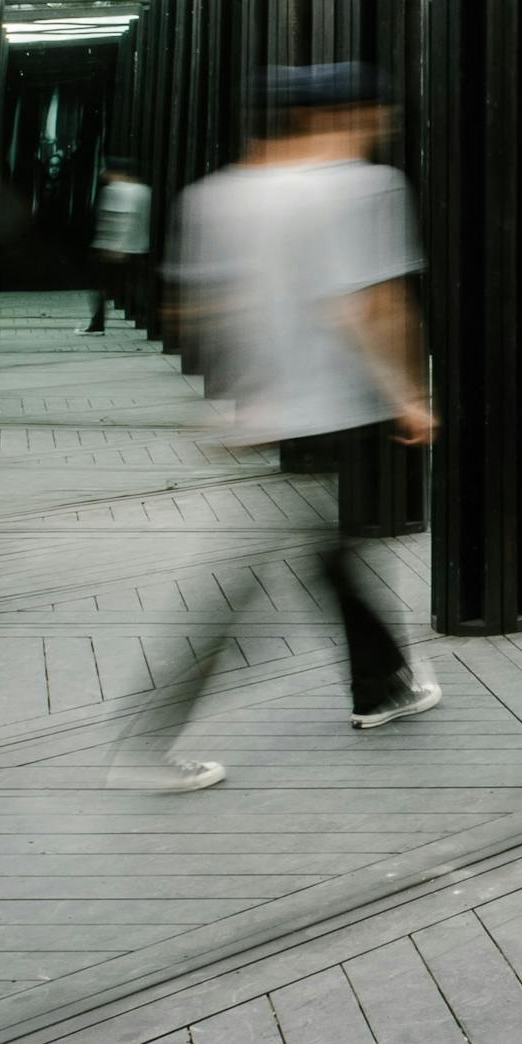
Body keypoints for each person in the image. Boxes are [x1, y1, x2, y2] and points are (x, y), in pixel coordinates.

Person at [113, 65, 441, 791]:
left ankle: (383, 684)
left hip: (260, 414)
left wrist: (235, 400)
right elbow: (372, 305)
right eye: (374, 112)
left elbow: (195, 311)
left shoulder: (216, 195)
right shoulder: (361, 187)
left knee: (329, 553)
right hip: (325, 409)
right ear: (343, 115)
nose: (381, 125)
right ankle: (146, 743)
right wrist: (409, 395)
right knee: (241, 584)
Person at [86, 159, 152, 333]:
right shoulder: (143, 190)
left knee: (100, 286)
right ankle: (149, 317)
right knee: (133, 285)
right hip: (138, 247)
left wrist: (113, 247)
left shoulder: (115, 191)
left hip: (115, 249)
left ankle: (97, 323)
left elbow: (121, 219)